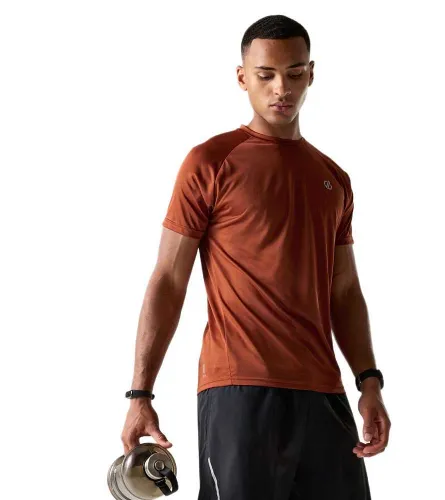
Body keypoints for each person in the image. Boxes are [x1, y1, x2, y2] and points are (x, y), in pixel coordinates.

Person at [121, 14, 391, 500]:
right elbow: (168, 280)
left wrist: (368, 381)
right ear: (242, 77)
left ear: (311, 74)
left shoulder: (334, 178)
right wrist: (141, 393)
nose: (280, 88)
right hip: (240, 389)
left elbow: (345, 290)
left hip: (323, 391)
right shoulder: (210, 162)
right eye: (265, 75)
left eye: (294, 73)